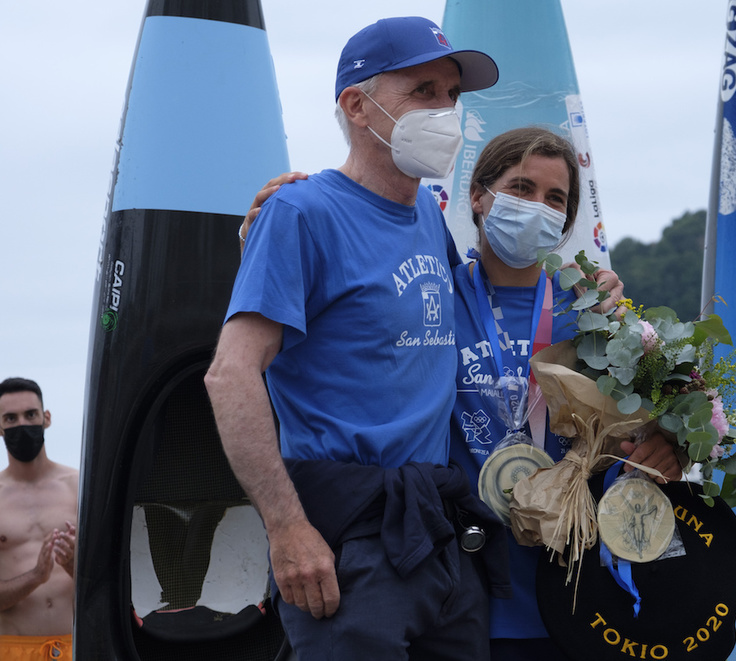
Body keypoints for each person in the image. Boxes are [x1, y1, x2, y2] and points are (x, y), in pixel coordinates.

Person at [243, 127, 684, 660]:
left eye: (555, 199)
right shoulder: (428, 297)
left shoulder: (592, 316)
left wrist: (670, 446)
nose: (536, 207)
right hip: (465, 593)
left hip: (580, 594)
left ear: (567, 222)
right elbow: (326, 311)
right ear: (478, 196)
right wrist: (264, 237)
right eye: (520, 188)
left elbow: (675, 419)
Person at [204, 16, 504, 661]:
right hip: (351, 538)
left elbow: (479, 320)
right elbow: (229, 375)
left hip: (437, 529)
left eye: (453, 95)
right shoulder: (299, 212)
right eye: (423, 91)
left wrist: (590, 296)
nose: (446, 111)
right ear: (356, 105)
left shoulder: (428, 212)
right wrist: (287, 529)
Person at [0, 378, 78, 660]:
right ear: (0, 426)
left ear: (46, 418)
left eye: (30, 414)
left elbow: (106, 584)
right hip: (14, 650)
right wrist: (36, 576)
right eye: (11, 417)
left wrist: (72, 565)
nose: (22, 424)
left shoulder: (79, 486)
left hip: (76, 646)